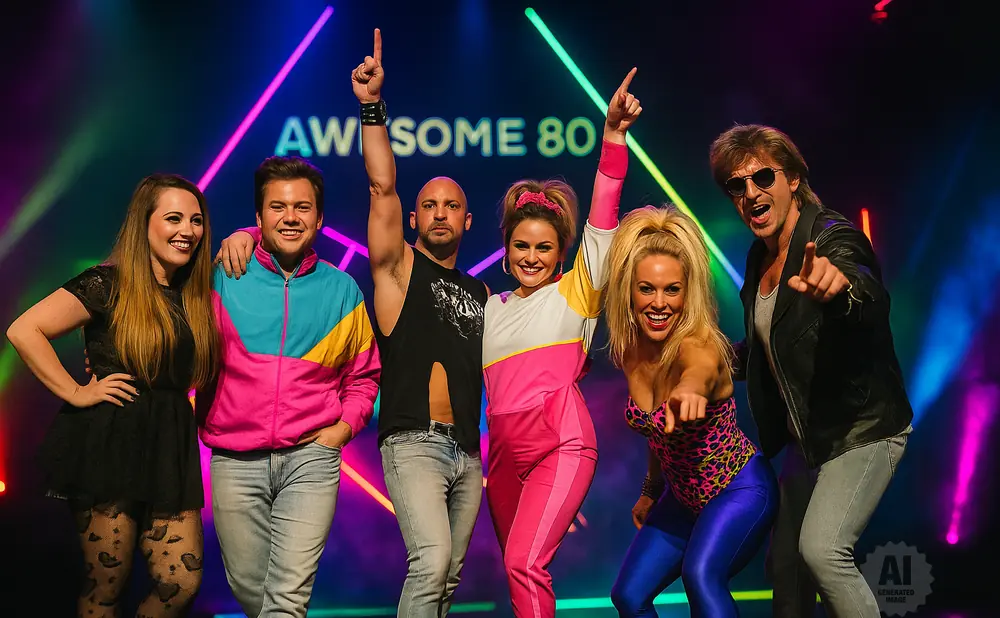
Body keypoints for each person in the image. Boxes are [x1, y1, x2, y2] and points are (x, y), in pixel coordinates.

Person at [216, 28, 489, 618]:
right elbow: (382, 183)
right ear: (413, 216)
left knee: (447, 580)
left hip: (469, 451)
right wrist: (371, 107)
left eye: (452, 206)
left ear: (469, 220)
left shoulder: (483, 292)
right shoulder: (396, 270)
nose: (439, 213)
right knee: (430, 563)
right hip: (413, 442)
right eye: (429, 204)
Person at [709, 124, 914, 618]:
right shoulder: (759, 258)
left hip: (860, 430)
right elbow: (769, 348)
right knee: (786, 571)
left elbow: (864, 291)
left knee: (822, 551)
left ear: (793, 178)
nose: (751, 193)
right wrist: (705, 358)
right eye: (738, 185)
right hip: (809, 442)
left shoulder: (831, 237)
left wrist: (841, 290)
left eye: (762, 177)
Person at [6, 174, 218, 616]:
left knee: (179, 581)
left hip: (168, 443)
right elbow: (24, 329)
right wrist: (77, 391)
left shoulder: (193, 293)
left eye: (196, 220)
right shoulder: (109, 282)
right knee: (107, 584)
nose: (188, 230)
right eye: (174, 218)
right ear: (145, 223)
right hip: (111, 438)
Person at [480, 68, 640, 618]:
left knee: (525, 564)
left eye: (544, 247)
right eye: (521, 245)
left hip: (560, 443)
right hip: (501, 458)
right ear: (505, 248)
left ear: (561, 251)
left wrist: (613, 137)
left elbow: (604, 215)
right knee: (514, 567)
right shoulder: (487, 310)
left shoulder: (576, 292)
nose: (531, 256)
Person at [197, 156, 381, 617]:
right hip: (235, 459)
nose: (290, 217)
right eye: (277, 207)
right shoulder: (223, 275)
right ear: (258, 219)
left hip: (310, 460)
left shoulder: (342, 291)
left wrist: (342, 428)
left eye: (302, 207)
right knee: (248, 589)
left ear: (318, 218)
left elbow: (364, 376)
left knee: (288, 596)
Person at [602, 206, 778, 617]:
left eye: (672, 290)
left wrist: (689, 390)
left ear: (687, 292)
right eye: (647, 289)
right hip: (681, 499)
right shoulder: (630, 349)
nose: (659, 303)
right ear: (630, 291)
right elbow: (657, 431)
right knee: (628, 596)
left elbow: (698, 371)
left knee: (701, 576)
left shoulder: (698, 346)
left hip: (739, 490)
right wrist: (650, 490)